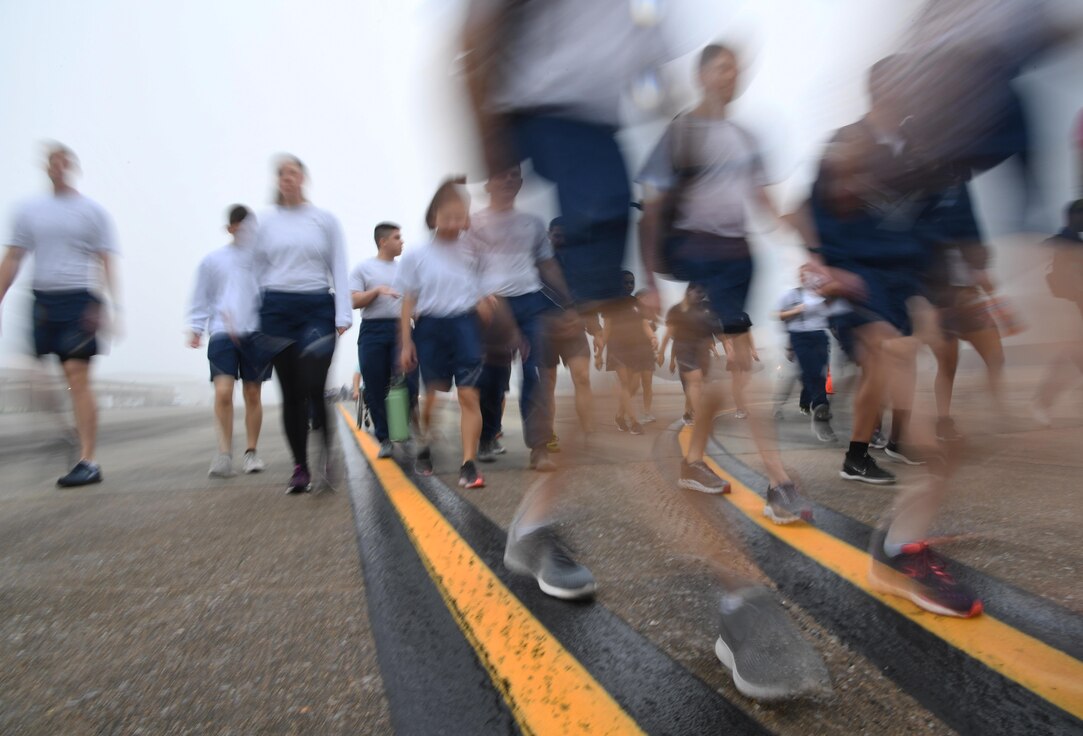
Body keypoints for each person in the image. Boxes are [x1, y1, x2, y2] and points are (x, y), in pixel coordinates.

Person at [811, 58, 983, 618]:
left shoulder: (928, 156)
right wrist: (823, 266)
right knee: (895, 367)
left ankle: (895, 526)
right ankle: (894, 550)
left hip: (909, 288)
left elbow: (953, 223)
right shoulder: (846, 145)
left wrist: (973, 270)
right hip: (859, 287)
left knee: (936, 439)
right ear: (878, 88)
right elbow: (808, 214)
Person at [638, 43, 814, 525]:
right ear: (702, 76)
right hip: (704, 253)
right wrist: (650, 280)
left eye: (737, 69)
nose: (731, 76)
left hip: (740, 258)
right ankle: (778, 483)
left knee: (724, 381)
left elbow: (762, 202)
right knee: (741, 369)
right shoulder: (682, 131)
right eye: (722, 67)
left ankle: (693, 464)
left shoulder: (745, 135)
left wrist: (801, 231)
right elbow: (652, 210)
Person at [0, 144, 120, 487]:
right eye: (52, 160)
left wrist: (109, 305)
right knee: (33, 381)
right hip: (42, 301)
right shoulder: (29, 211)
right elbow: (12, 257)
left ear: (72, 167)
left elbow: (105, 260)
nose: (57, 165)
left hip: (80, 299)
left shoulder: (91, 212)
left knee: (76, 375)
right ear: (46, 168)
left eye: (63, 160)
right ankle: (69, 431)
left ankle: (88, 459)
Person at [248, 155, 351, 494]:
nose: (287, 178)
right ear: (277, 181)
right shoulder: (265, 223)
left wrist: (342, 313)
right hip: (276, 309)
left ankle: (326, 451)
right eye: (281, 174)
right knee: (290, 393)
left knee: (312, 383)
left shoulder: (324, 220)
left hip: (316, 307)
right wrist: (252, 316)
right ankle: (300, 468)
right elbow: (254, 271)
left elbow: (338, 264)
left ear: (303, 178)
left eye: (293, 172)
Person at [470, 165, 568, 471]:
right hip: (492, 308)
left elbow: (547, 265)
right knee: (491, 379)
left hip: (530, 304)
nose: (509, 179)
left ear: (521, 183)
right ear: (488, 183)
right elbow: (464, 266)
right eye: (502, 174)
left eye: (515, 175)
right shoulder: (473, 224)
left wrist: (569, 301)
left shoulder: (533, 224)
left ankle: (539, 447)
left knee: (536, 373)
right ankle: (487, 435)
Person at [397, 178, 486, 489]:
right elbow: (407, 302)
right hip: (430, 328)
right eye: (447, 215)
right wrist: (406, 343)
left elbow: (483, 288)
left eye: (459, 215)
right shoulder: (415, 256)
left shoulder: (474, 250)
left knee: (468, 393)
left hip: (465, 325)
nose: (453, 222)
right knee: (432, 394)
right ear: (433, 216)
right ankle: (424, 443)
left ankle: (468, 463)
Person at [186, 204, 268, 477]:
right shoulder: (213, 261)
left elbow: (269, 298)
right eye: (242, 227)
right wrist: (196, 327)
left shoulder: (262, 261)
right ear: (230, 228)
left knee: (253, 393)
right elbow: (202, 297)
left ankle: (251, 452)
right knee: (223, 392)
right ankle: (223, 454)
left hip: (254, 333)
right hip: (222, 332)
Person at [350, 222, 417, 459]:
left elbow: (414, 302)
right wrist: (377, 291)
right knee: (375, 385)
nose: (402, 242)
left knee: (411, 382)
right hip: (373, 330)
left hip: (401, 330)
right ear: (383, 241)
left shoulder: (405, 270)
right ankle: (384, 437)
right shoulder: (364, 268)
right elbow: (353, 301)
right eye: (398, 237)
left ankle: (402, 425)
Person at [539, 217, 594, 450]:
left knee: (582, 378)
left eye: (564, 233)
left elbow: (591, 297)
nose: (560, 237)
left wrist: (585, 320)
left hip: (575, 330)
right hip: (546, 332)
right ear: (549, 235)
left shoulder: (581, 265)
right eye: (556, 233)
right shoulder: (538, 264)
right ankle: (548, 434)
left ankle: (588, 432)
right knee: (547, 384)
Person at [776, 265, 841, 443]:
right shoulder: (792, 295)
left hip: (820, 336)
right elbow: (778, 315)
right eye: (805, 275)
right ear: (800, 277)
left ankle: (818, 408)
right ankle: (819, 408)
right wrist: (796, 311)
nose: (809, 278)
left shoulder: (822, 294)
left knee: (820, 374)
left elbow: (833, 318)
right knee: (809, 374)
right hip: (799, 337)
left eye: (813, 275)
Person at [1033, 199, 1083, 424]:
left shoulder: (1067, 242)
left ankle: (1046, 401)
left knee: (1072, 359)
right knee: (1071, 359)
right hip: (1068, 312)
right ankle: (1043, 401)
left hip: (1072, 311)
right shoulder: (1064, 243)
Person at [600, 271, 656, 435]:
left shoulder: (637, 304)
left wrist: (653, 338)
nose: (629, 286)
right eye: (625, 282)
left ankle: (619, 415)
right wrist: (599, 353)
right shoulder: (610, 304)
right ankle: (634, 422)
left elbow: (645, 325)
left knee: (634, 386)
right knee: (625, 384)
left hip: (635, 349)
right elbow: (607, 328)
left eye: (632, 282)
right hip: (617, 349)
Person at [658, 283, 714, 427]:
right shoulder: (677, 311)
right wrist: (662, 354)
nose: (701, 295)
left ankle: (689, 411)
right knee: (693, 382)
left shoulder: (706, 310)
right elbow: (670, 337)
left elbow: (710, 334)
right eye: (698, 291)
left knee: (698, 384)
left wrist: (715, 348)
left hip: (701, 352)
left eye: (703, 292)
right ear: (689, 291)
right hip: (684, 352)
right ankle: (695, 414)